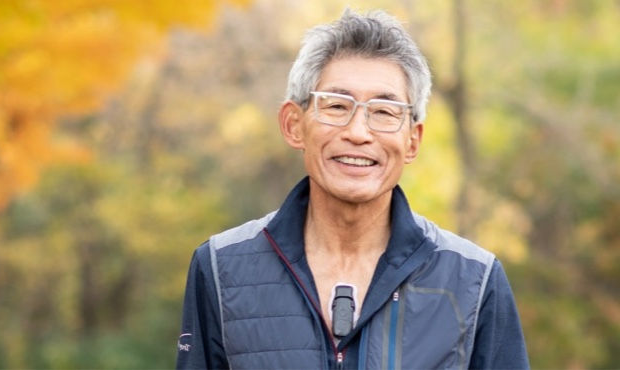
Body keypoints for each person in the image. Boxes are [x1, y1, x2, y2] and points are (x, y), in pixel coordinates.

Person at [176, 10, 529, 369]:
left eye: (384, 111)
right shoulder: (221, 269)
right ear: (293, 124)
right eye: (337, 106)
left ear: (412, 140)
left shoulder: (474, 280)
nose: (358, 132)